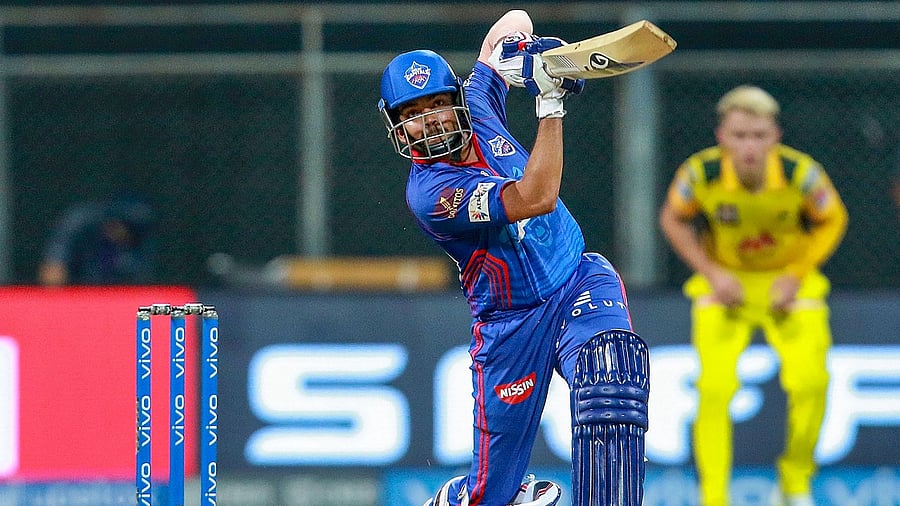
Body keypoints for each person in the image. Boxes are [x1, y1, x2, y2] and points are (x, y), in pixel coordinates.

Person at [379, 9, 650, 506]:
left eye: (437, 104)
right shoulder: (432, 193)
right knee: (493, 495)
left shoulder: (480, 102)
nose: (428, 121)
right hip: (510, 325)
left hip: (577, 282)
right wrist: (549, 100)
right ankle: (459, 497)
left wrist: (529, 54)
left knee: (611, 387)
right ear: (397, 127)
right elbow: (535, 197)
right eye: (412, 114)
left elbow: (511, 18)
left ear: (458, 100)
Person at [658, 85, 849, 506]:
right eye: (740, 135)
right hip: (725, 285)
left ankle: (795, 484)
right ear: (722, 137)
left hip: (787, 284)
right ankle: (713, 497)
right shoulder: (699, 174)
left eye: (759, 135)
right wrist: (710, 271)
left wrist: (798, 273)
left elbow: (832, 218)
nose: (750, 146)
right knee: (714, 389)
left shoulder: (803, 174)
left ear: (775, 136)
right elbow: (673, 218)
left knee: (812, 382)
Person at [39, 197, 158, 286]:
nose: (123, 235)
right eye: (123, 227)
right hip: (74, 298)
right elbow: (52, 272)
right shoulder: (80, 224)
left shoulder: (135, 243)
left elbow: (142, 283)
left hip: (114, 301)